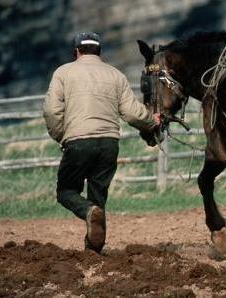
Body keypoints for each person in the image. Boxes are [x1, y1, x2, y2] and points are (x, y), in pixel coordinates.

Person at [43, 32, 160, 253]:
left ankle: (88, 212)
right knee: (98, 195)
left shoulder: (63, 73)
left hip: (78, 141)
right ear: (99, 52)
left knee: (66, 190)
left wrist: (61, 135)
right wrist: (150, 122)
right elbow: (132, 113)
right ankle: (94, 249)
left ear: (77, 51)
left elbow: (51, 111)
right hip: (109, 143)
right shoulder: (115, 75)